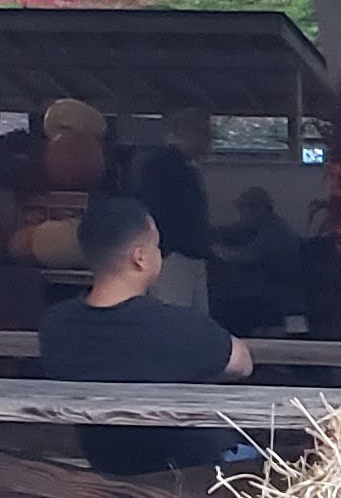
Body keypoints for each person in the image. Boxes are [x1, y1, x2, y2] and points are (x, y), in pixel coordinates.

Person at [39, 193, 259, 475]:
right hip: (189, 468)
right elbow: (242, 363)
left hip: (106, 464)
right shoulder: (178, 326)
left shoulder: (55, 326)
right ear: (140, 257)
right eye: (156, 245)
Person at [133, 108, 217, 312]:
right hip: (173, 256)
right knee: (174, 315)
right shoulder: (163, 166)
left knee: (195, 319)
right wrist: (169, 247)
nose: (209, 139)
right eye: (203, 132)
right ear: (184, 132)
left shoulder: (186, 167)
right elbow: (162, 211)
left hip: (191, 254)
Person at [207, 185, 305, 337]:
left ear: (258, 209)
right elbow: (231, 230)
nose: (241, 216)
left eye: (243, 210)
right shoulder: (256, 227)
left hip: (278, 300)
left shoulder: (275, 231)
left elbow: (247, 256)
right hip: (264, 297)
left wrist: (215, 251)